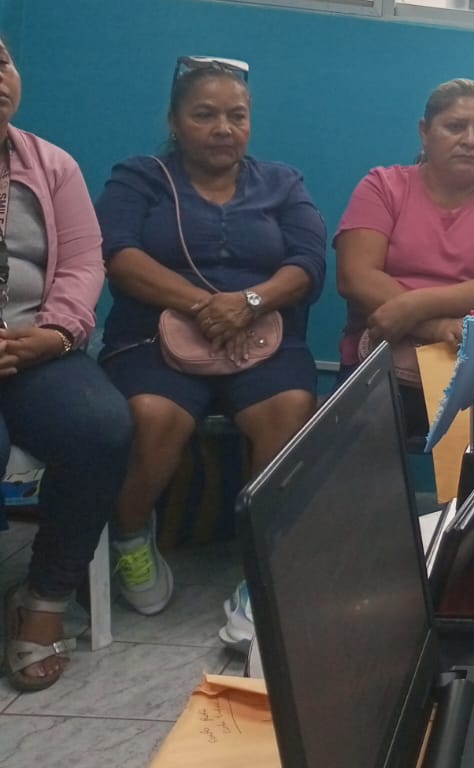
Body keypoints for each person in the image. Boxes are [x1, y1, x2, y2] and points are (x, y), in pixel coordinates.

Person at [96, 55, 324, 650]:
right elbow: (117, 255)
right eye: (204, 115)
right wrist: (204, 305)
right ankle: (130, 538)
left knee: (289, 408)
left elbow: (308, 263)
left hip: (264, 339)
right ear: (174, 121)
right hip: (153, 338)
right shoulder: (140, 178)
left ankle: (261, 567)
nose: (223, 128)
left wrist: (249, 302)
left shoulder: (282, 182)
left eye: (236, 116)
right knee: (154, 415)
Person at [0, 38, 132, 692]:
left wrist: (53, 335)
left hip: (35, 347)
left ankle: (44, 599)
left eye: (1, 62)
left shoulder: (52, 165)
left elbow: (83, 263)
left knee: (101, 428)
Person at [335, 79, 474, 432]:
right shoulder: (382, 186)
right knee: (356, 456)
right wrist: (436, 328)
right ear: (425, 131)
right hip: (382, 359)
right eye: (455, 126)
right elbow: (355, 277)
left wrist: (413, 307)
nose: (470, 140)